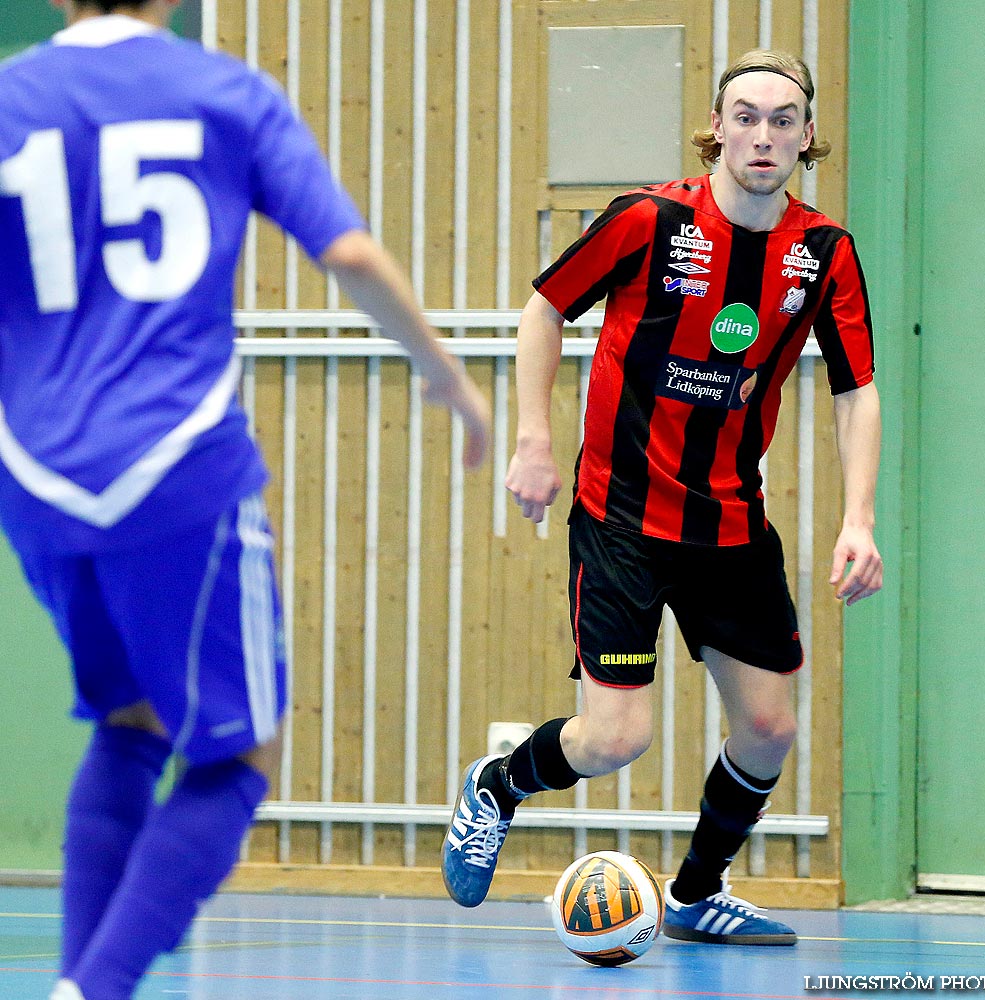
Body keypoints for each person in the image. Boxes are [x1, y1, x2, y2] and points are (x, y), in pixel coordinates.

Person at [0, 2, 490, 998]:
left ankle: (77, 984)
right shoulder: (225, 91)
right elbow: (347, 254)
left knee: (131, 720)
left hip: (35, 470)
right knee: (237, 753)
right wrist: (444, 375)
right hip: (180, 465)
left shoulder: (10, 95)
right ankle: (90, 987)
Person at [442, 48, 881, 945]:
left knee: (767, 729)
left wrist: (858, 518)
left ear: (807, 137)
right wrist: (534, 437)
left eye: (783, 119)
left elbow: (855, 389)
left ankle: (692, 896)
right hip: (622, 517)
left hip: (728, 523)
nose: (764, 134)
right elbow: (544, 307)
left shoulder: (825, 252)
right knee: (614, 739)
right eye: (746, 115)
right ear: (716, 126)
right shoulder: (647, 219)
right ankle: (496, 785)